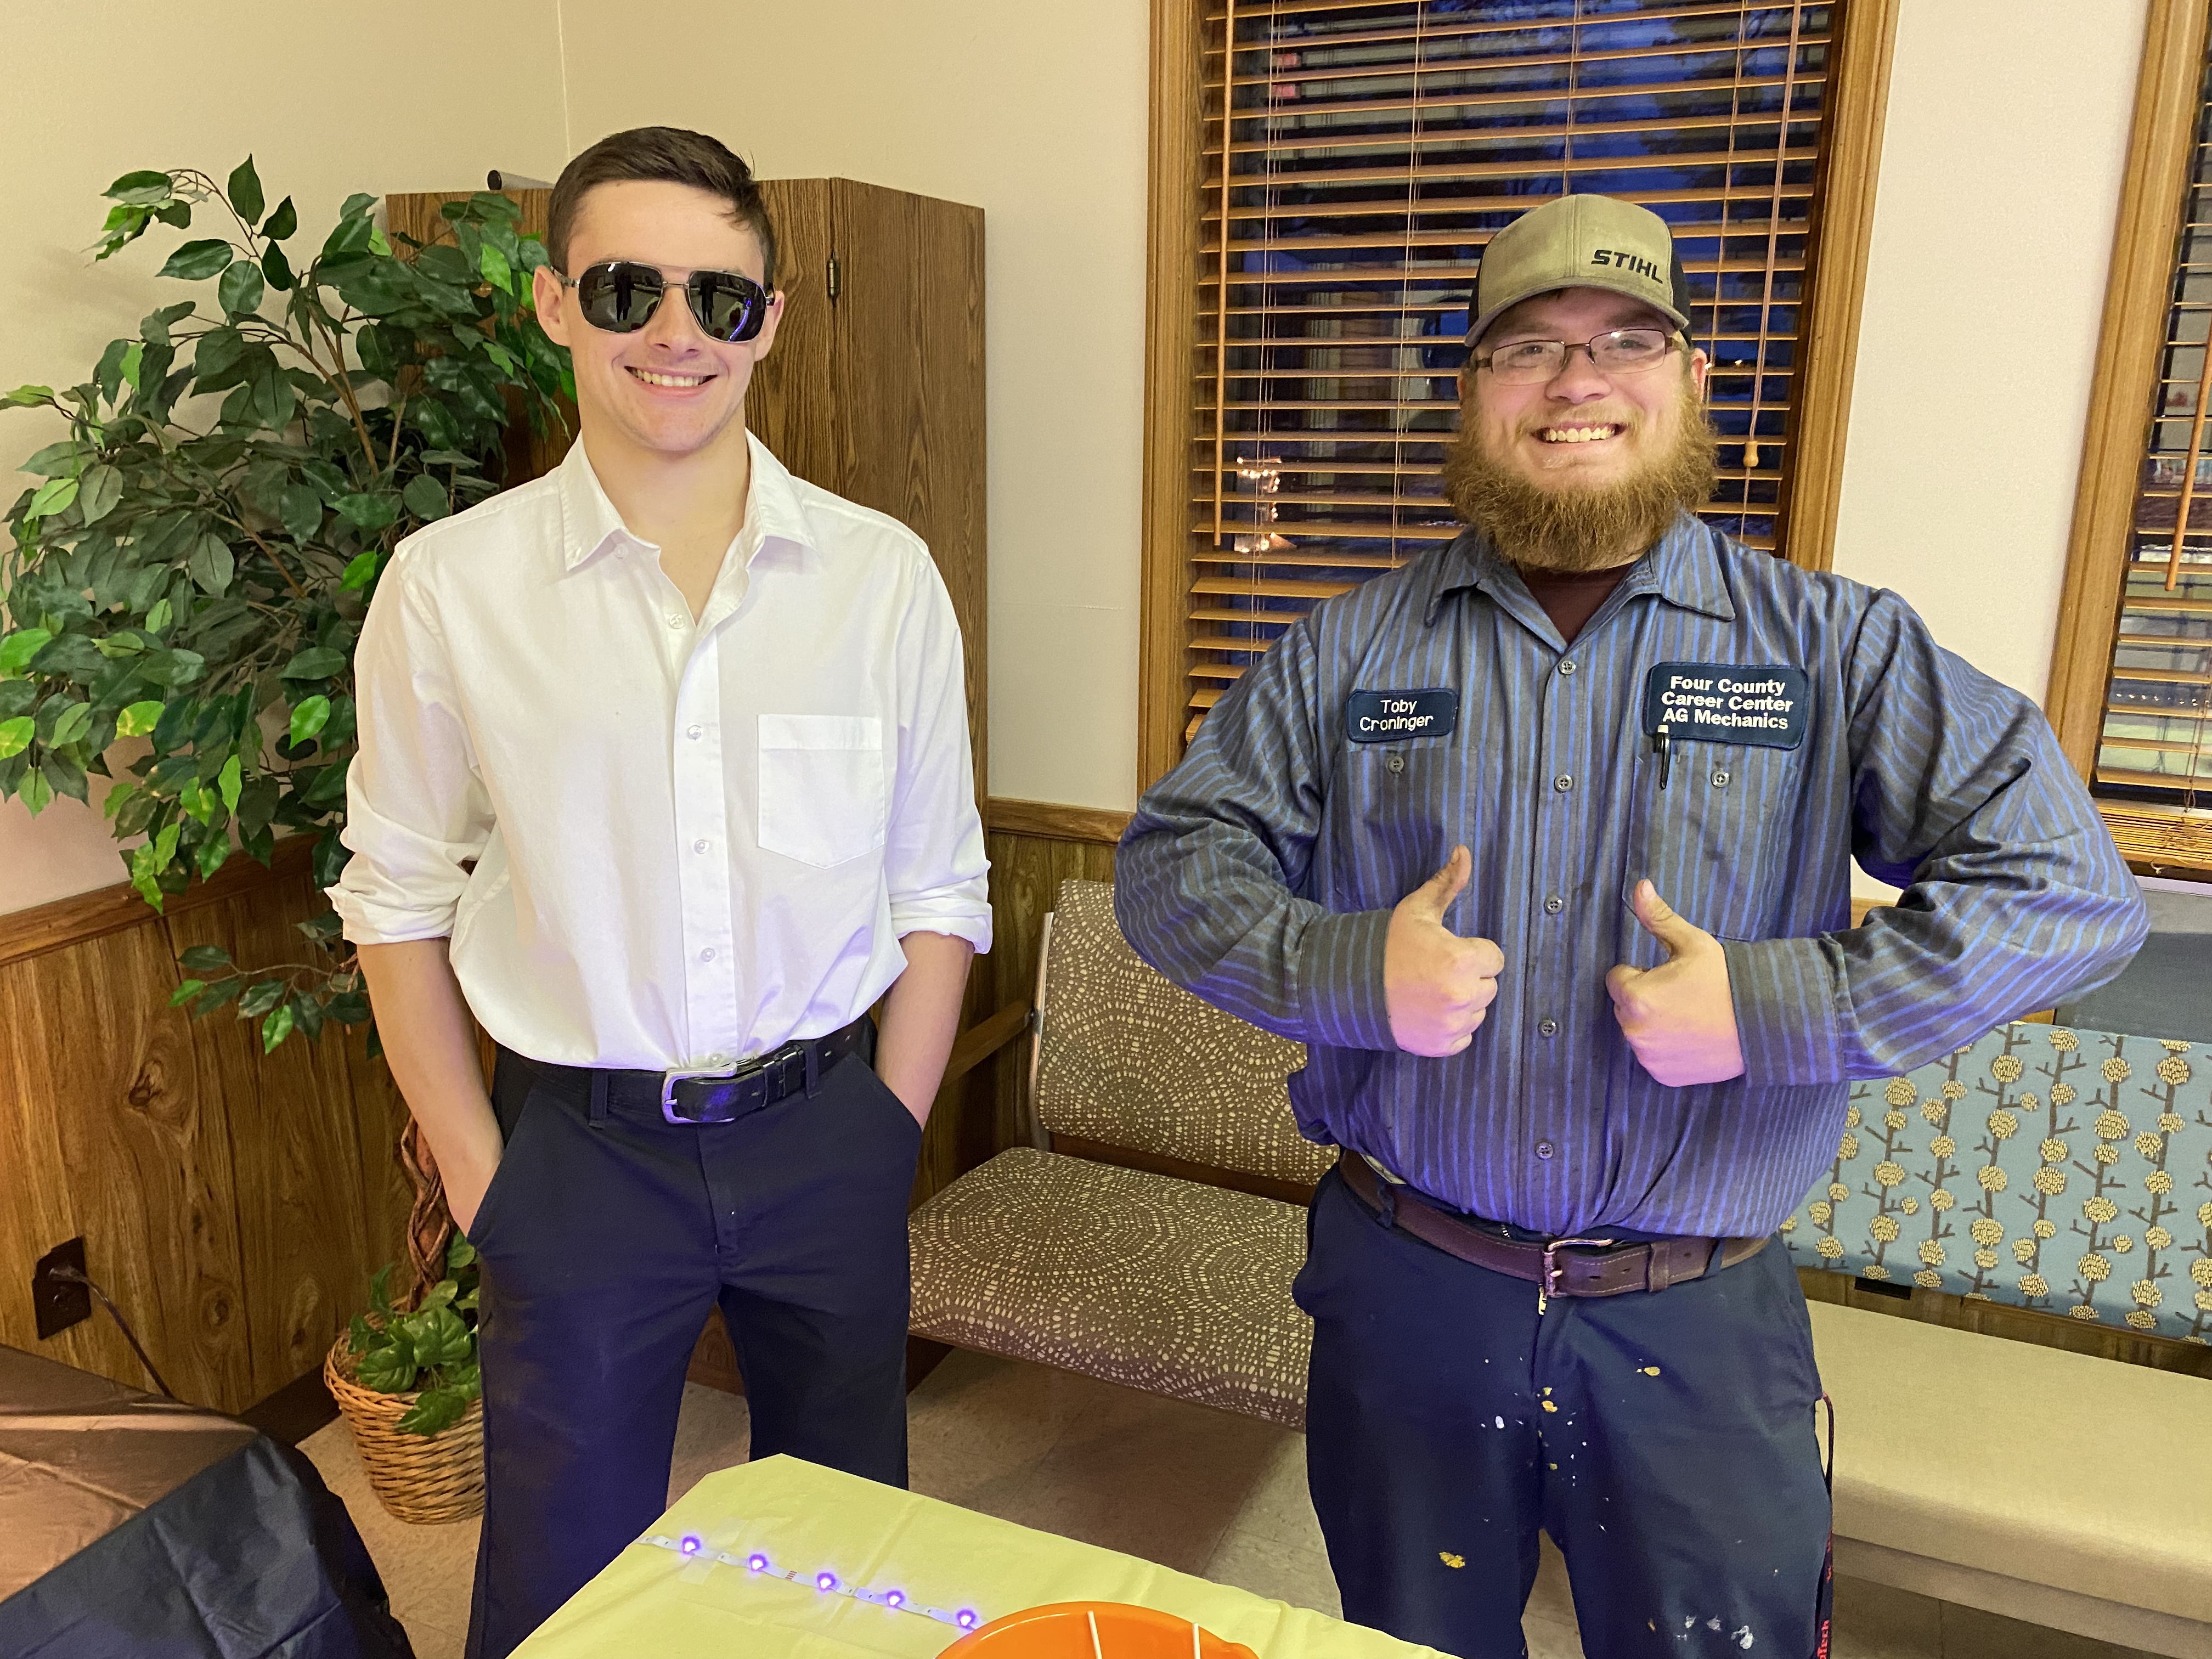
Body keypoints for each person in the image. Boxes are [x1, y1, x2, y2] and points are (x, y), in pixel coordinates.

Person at [1113, 192, 2147, 1659]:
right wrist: (1346, 972)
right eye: (1528, 348)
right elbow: (1169, 864)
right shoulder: (1348, 647)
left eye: (1624, 342)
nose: (1579, 382)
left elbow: (2071, 891)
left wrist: (1779, 1009)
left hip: (1697, 1321)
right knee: (1410, 1640)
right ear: (1472, 394)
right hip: (1410, 1284)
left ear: (1693, 380)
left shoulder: (1831, 648)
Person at [328, 127, 989, 1658]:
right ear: (557, 303)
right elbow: (397, 897)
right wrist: (486, 1179)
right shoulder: (453, 585)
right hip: (577, 1152)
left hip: (826, 1128)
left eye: (721, 297)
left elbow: (940, 881)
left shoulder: (878, 577)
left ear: (770, 317)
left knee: (846, 1557)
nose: (676, 332)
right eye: (629, 288)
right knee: (565, 1574)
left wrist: (888, 1123)